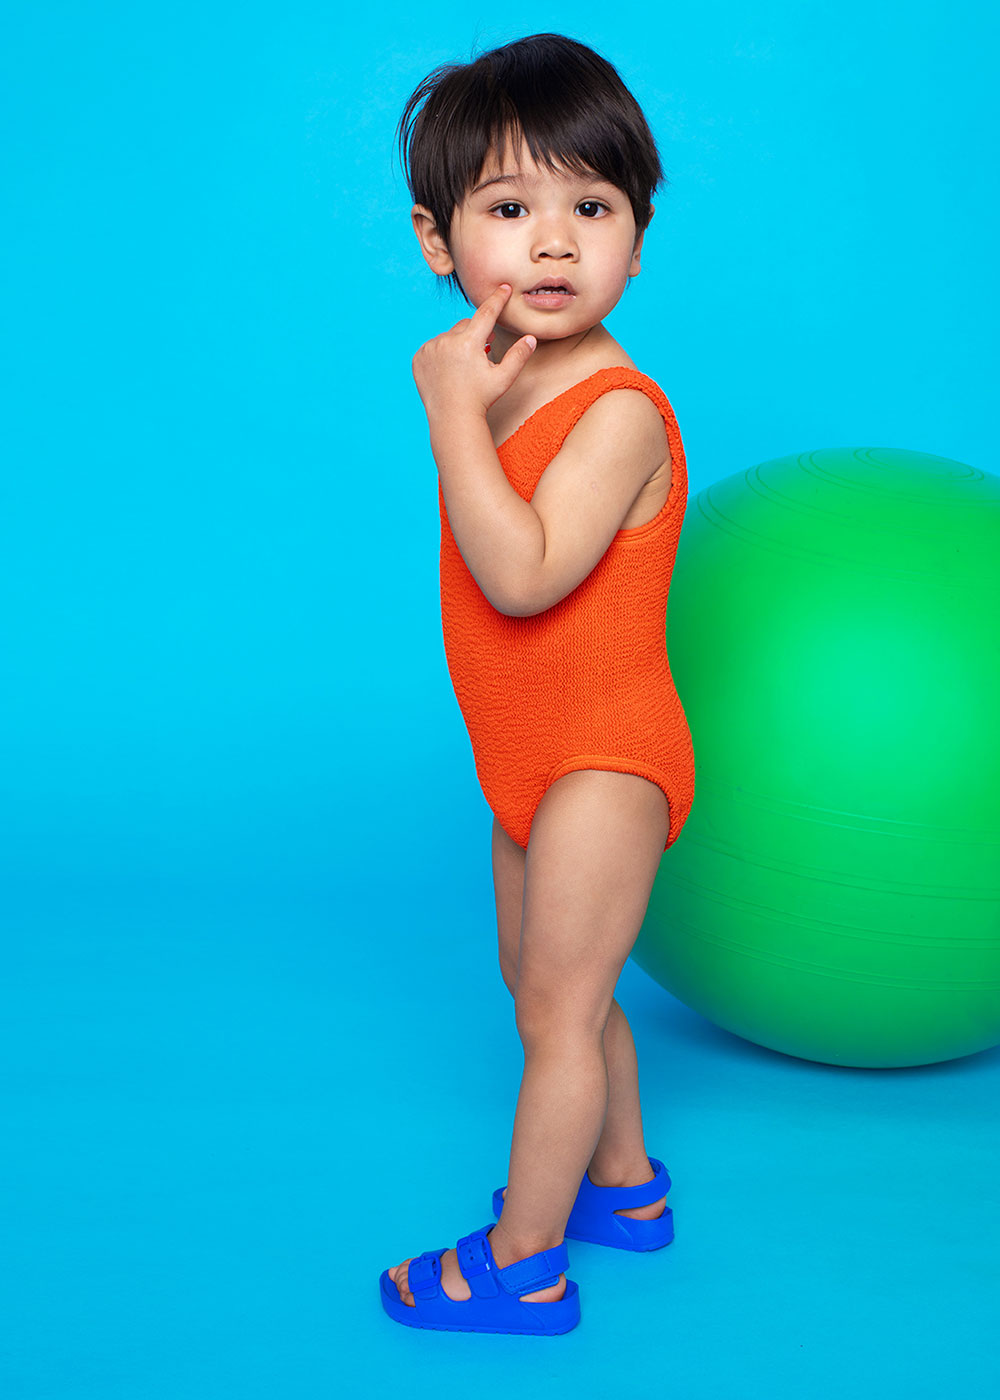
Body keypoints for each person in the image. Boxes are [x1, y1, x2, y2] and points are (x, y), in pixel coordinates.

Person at [381, 32, 696, 1335]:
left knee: (561, 1012)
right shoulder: (506, 386)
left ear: (638, 236)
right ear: (438, 241)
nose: (555, 244)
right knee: (546, 987)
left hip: (605, 754)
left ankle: (524, 1260)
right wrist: (472, 409)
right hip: (527, 750)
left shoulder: (616, 408)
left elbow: (523, 578)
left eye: (591, 208)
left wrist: (450, 415)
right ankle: (620, 1183)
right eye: (511, 209)